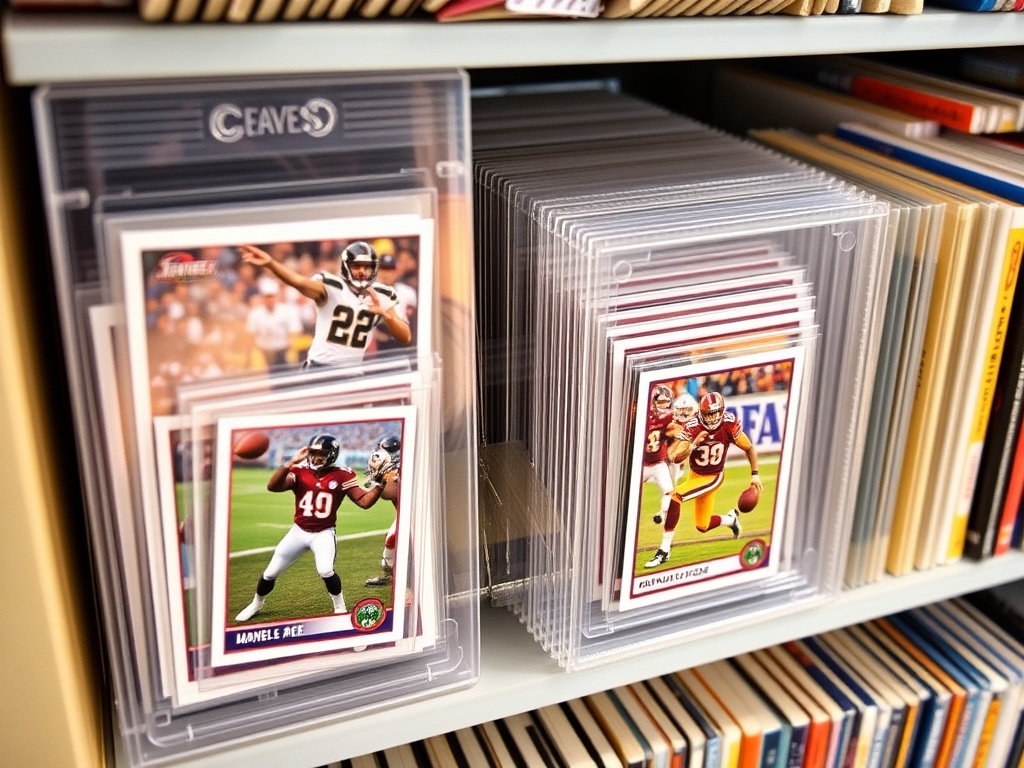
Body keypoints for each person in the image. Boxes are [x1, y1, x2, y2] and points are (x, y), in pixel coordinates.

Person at [234, 434, 384, 622]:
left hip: (323, 533)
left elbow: (363, 501)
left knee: (325, 570)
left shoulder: (342, 474)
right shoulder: (299, 470)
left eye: (321, 454)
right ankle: (256, 604)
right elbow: (273, 486)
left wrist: (380, 485)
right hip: (298, 531)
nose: (316, 457)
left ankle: (340, 607)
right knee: (270, 572)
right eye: (313, 453)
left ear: (331, 455)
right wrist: (289, 464)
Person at [239, 241, 411, 369]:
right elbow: (299, 282)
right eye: (356, 266)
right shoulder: (332, 287)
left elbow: (405, 337)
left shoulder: (380, 295)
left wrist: (387, 315)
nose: (361, 271)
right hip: (321, 368)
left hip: (352, 372)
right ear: (346, 267)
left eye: (366, 267)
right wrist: (271, 263)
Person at [644, 390, 763, 569]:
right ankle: (731, 520)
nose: (713, 418)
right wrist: (693, 445)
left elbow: (749, 448)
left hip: (713, 476)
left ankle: (664, 550)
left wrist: (755, 475)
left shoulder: (729, 424)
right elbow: (675, 457)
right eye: (709, 413)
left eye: (716, 413)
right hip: (696, 476)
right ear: (701, 412)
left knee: (676, 496)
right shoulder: (694, 426)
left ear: (722, 411)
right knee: (702, 525)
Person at [364, 435, 402, 587]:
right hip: (403, 515)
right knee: (390, 545)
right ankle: (391, 577)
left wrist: (382, 479)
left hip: (413, 517)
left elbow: (387, 494)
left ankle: (404, 581)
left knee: (394, 542)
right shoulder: (395, 470)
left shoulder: (398, 472)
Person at [641, 384, 676, 527]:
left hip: (658, 463)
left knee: (669, 492)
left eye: (666, 402)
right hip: (641, 464)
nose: (664, 406)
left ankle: (661, 513)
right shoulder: (667, 416)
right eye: (661, 402)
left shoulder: (644, 416)